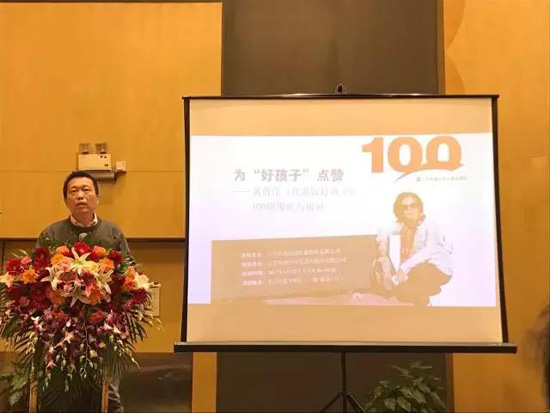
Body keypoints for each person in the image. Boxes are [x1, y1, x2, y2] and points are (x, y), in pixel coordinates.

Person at [36, 170, 130, 412]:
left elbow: (127, 274)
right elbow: (37, 277)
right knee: (58, 391)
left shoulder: (112, 232)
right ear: (66, 200)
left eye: (86, 190)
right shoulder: (51, 234)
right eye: (73, 191)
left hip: (102, 325)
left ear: (97, 197)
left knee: (108, 395)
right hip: (61, 326)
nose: (80, 195)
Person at [371, 192, 452, 305]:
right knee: (402, 292)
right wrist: (383, 253)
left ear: (419, 208)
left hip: (438, 269)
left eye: (413, 206)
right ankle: (425, 303)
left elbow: (426, 252)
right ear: (400, 211)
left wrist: (403, 268)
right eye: (405, 207)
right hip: (414, 268)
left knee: (420, 272)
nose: (409, 210)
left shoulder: (430, 225)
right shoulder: (403, 226)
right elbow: (383, 231)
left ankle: (429, 294)